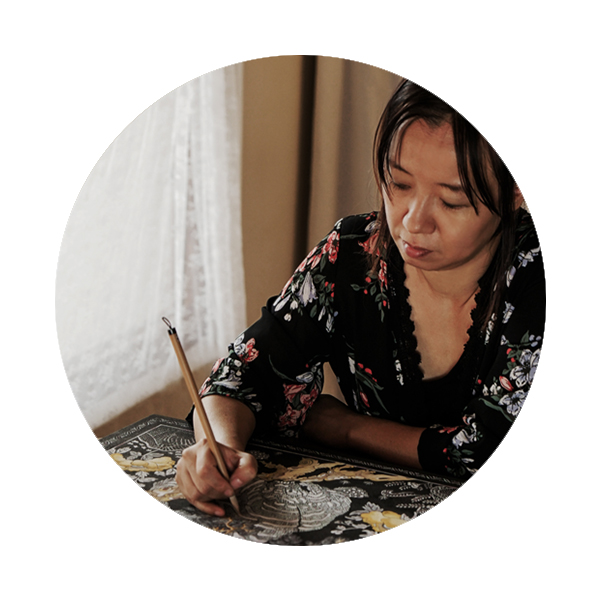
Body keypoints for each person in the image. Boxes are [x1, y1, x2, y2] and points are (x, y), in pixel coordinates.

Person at [176, 79, 545, 517]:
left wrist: (344, 428)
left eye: (452, 202)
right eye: (399, 183)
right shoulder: (352, 253)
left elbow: (487, 453)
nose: (413, 222)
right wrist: (216, 447)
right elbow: (242, 375)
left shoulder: (542, 279)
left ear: (517, 189)